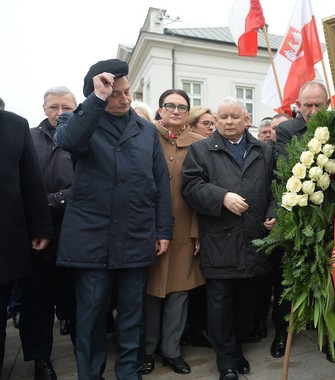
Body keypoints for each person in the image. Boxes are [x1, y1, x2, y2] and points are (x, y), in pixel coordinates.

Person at [54, 59, 173, 380]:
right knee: (91, 316)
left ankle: (129, 373)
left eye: (127, 92)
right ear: (98, 93)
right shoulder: (79, 120)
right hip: (93, 239)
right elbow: (67, 141)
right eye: (114, 93)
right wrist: (95, 99)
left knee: (133, 316)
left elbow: (159, 182)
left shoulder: (146, 129)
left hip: (136, 235)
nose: (124, 99)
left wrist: (163, 229)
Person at [182, 97, 276, 380]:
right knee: (220, 305)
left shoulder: (264, 150)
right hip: (220, 241)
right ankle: (226, 363)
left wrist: (273, 213)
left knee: (246, 304)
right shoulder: (201, 150)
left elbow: (276, 186)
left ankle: (236, 351)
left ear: (246, 120)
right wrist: (221, 196)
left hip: (254, 239)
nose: (228, 122)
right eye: (223, 117)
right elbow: (191, 186)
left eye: (235, 117)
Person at [272, 81, 335, 363]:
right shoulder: (286, 131)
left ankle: (330, 339)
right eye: (307, 105)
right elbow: (283, 169)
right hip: (296, 211)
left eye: (318, 105)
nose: (312, 111)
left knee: (330, 277)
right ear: (298, 105)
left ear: (328, 103)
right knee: (288, 278)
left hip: (332, 214)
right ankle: (282, 332)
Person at [141, 90, 206, 375]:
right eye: (170, 105)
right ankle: (145, 350)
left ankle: (171, 350)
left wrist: (197, 233)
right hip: (148, 230)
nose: (176, 111)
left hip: (183, 230)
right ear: (160, 109)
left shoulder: (200, 145)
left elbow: (202, 192)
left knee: (179, 294)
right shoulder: (144, 137)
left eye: (182, 107)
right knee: (149, 294)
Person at [18, 86, 77, 380]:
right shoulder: (26, 137)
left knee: (76, 302)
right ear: (44, 109)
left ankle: (86, 355)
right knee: (37, 304)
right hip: (35, 238)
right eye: (54, 107)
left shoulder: (81, 141)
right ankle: (41, 360)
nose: (60, 113)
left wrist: (51, 201)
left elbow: (86, 184)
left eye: (67, 107)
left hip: (75, 236)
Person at [0, 109, 52, 375]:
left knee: (35, 302)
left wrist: (41, 227)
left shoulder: (13, 125)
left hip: (11, 239)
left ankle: (40, 358)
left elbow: (31, 181)